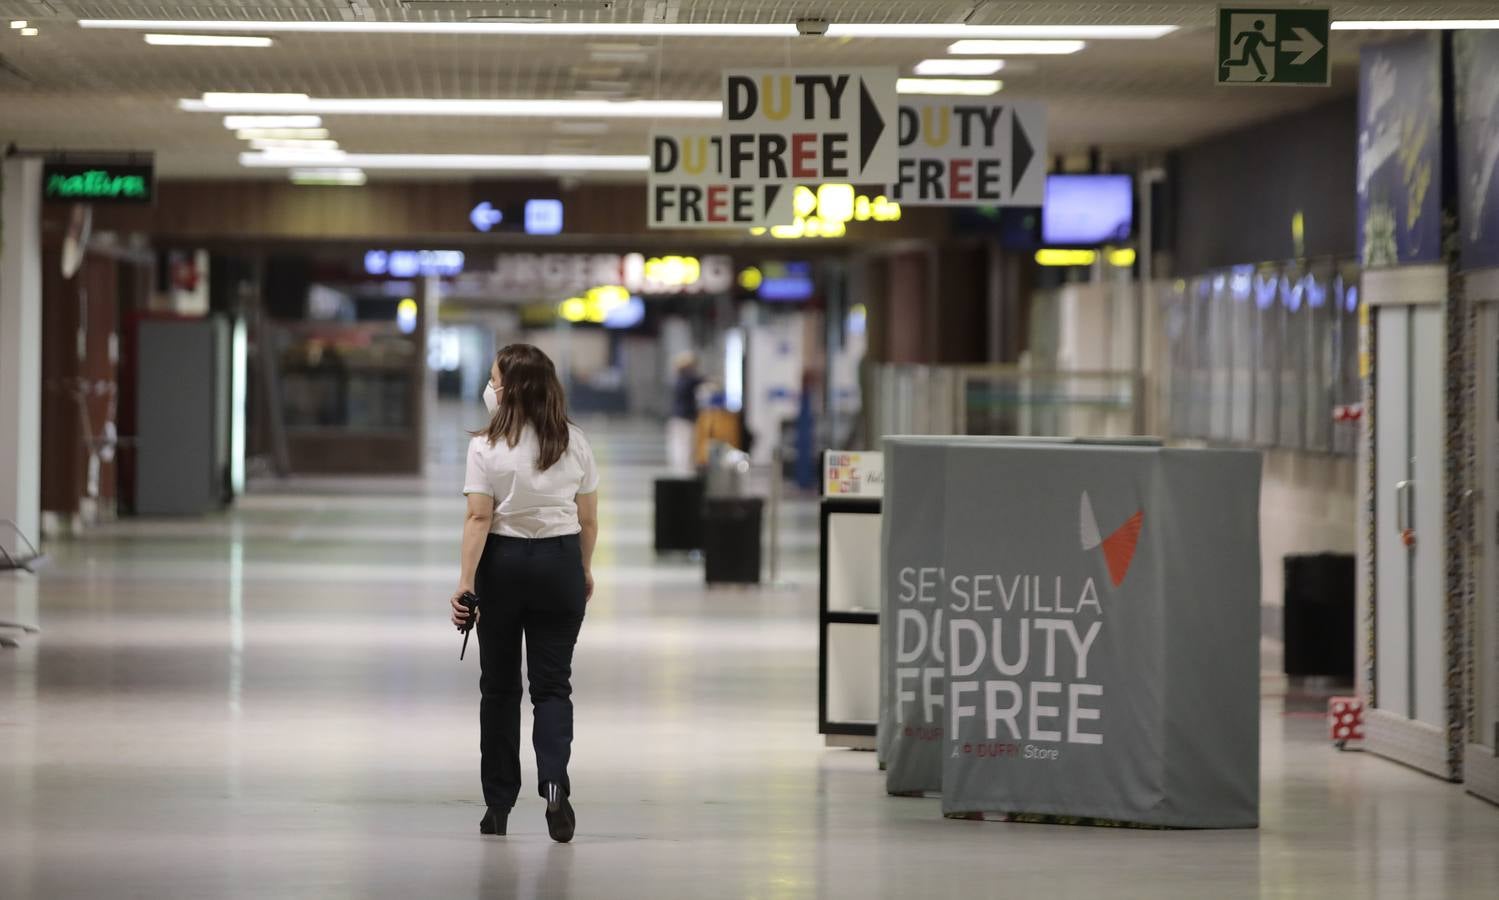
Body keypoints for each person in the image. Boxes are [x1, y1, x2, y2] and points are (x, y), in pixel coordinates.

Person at [449, 343, 600, 843]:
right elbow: (588, 518)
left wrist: (466, 583)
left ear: (509, 388)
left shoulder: (485, 446)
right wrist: (582, 568)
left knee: (499, 689)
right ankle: (554, 786)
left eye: (494, 379)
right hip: (559, 564)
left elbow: (478, 517)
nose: (489, 387)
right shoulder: (574, 441)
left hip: (503, 565)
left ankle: (498, 804)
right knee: (553, 687)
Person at [667, 352, 702, 473]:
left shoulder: (678, 379)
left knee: (680, 446)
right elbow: (703, 380)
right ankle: (685, 471)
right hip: (685, 418)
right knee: (686, 446)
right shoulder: (687, 380)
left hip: (678, 417)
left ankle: (681, 470)